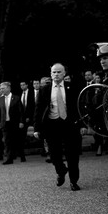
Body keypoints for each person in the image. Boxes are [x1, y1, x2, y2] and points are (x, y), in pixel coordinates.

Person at [34, 63, 85, 191]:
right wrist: (36, 128)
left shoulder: (73, 87)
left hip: (70, 125)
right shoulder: (44, 89)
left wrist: (82, 125)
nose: (56, 74)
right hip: (52, 125)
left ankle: (74, 181)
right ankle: (61, 171)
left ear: (64, 74)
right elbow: (38, 109)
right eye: (54, 72)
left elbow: (80, 107)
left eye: (59, 72)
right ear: (51, 74)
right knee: (54, 154)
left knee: (72, 155)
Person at [0, 81, 23, 164]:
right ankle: (9, 158)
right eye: (0, 89)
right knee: (7, 141)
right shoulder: (0, 99)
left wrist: (21, 122)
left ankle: (21, 155)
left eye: (3, 88)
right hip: (5, 123)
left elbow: (21, 111)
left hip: (14, 122)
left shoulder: (16, 98)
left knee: (17, 140)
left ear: (8, 88)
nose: (1, 90)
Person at [18, 81, 33, 162]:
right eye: (21, 85)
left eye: (24, 84)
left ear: (27, 85)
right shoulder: (20, 94)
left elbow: (32, 105)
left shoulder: (31, 93)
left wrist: (28, 116)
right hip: (22, 119)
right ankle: (21, 155)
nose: (22, 86)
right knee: (21, 136)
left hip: (29, 117)